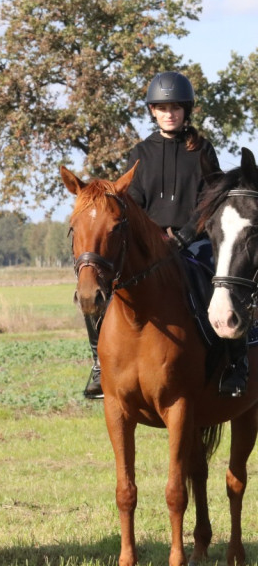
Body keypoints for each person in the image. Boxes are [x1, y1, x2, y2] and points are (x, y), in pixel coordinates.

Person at [81, 70, 247, 399]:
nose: (169, 113)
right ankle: (100, 366)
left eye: (175, 108)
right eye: (161, 108)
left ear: (186, 111)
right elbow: (132, 203)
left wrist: (184, 237)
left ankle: (235, 363)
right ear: (152, 112)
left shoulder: (202, 150)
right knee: (100, 289)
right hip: (150, 244)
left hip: (195, 241)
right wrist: (151, 238)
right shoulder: (140, 153)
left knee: (224, 285)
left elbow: (209, 202)